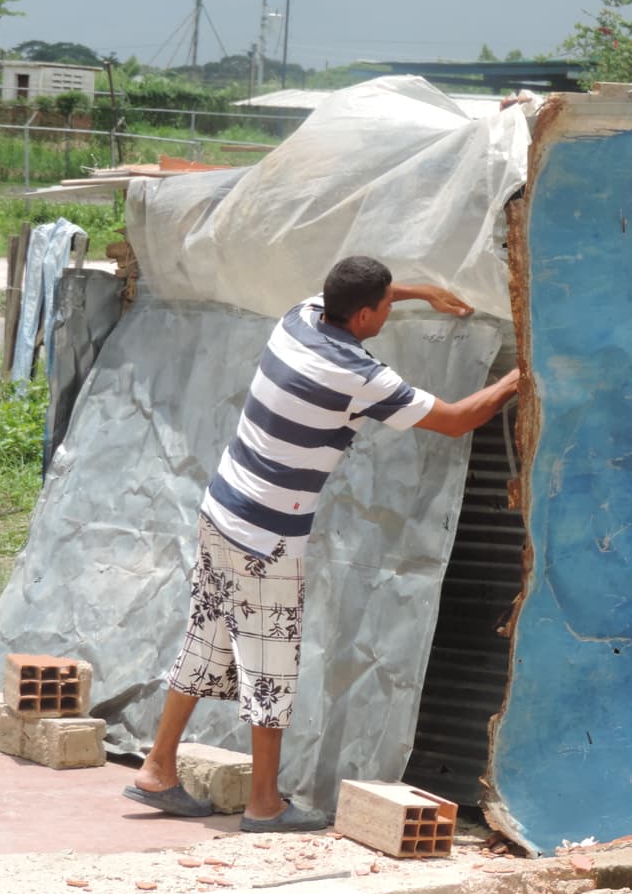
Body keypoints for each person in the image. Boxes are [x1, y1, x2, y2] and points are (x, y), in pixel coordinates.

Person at [123, 255, 521, 831]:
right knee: (271, 663)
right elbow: (457, 420)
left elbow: (350, 293)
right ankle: (264, 804)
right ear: (364, 316)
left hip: (221, 509)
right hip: (266, 537)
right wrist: (519, 374)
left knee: (207, 637)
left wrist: (420, 292)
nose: (390, 310)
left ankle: (157, 768)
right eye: (386, 305)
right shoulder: (358, 376)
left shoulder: (300, 319)